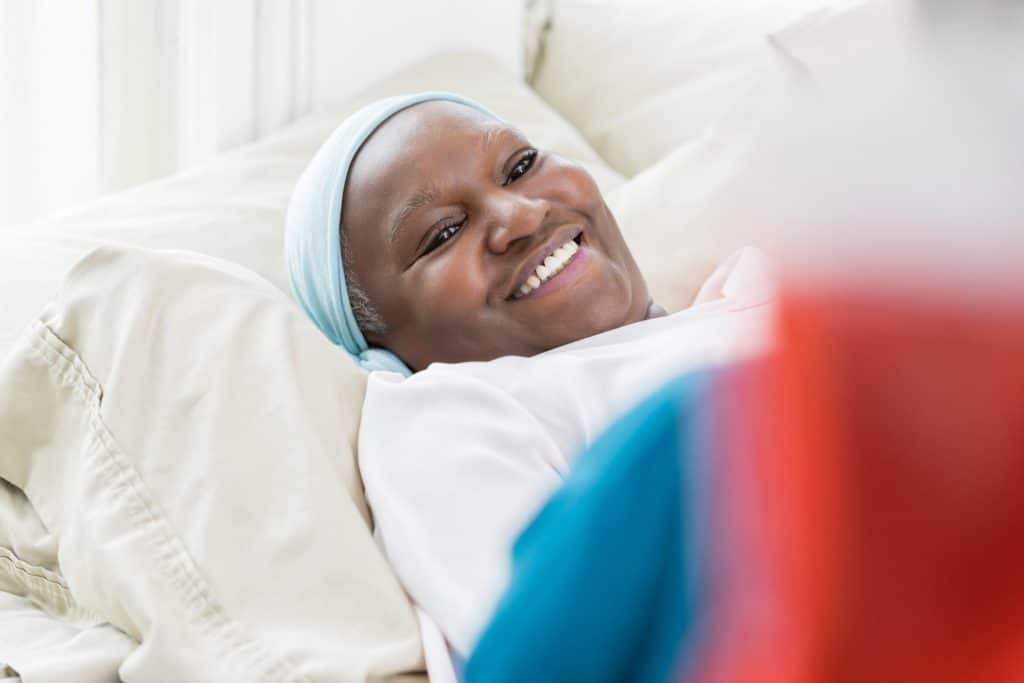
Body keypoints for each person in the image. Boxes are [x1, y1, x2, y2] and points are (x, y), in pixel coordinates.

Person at [284, 92, 773, 681]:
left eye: (519, 167)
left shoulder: (762, 292)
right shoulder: (447, 414)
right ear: (389, 348)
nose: (520, 216)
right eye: (442, 233)